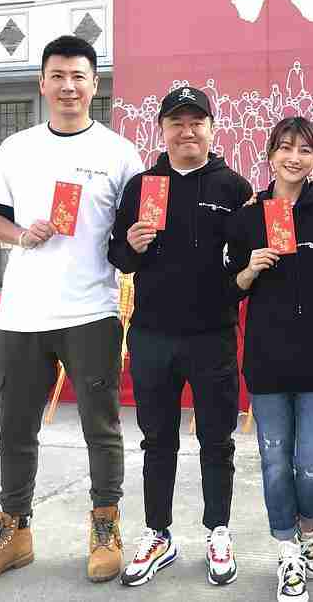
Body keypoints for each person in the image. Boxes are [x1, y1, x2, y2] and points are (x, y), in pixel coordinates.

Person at [0, 35, 143, 587]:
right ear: (42, 83)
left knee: (101, 428)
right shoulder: (17, 148)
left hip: (91, 311)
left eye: (78, 76)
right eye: (57, 76)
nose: (68, 86)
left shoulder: (119, 153)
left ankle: (105, 527)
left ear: (94, 84)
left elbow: (130, 238)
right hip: (22, 314)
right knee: (16, 429)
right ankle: (14, 532)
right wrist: (20, 234)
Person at [109, 86, 253, 587]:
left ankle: (218, 530)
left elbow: (246, 263)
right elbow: (118, 256)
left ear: (212, 128)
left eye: (196, 122)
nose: (187, 131)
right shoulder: (142, 186)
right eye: (177, 122)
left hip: (213, 335)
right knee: (157, 440)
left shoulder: (234, 188)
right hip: (153, 335)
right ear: (162, 130)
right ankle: (158, 533)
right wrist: (130, 244)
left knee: (217, 439)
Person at [223, 116, 313, 602]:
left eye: (305, 150)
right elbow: (228, 288)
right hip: (266, 357)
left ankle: (309, 528)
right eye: (285, 148)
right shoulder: (247, 217)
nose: (294, 158)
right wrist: (249, 270)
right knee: (275, 461)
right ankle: (287, 551)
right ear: (270, 155)